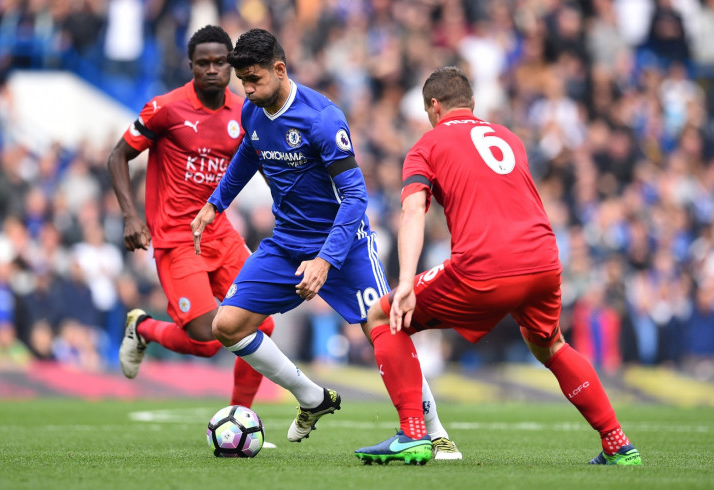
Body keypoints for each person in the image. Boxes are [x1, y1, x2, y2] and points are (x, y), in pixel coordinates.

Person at [191, 29, 460, 458]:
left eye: (255, 79)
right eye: (243, 81)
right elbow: (249, 152)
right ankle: (312, 397)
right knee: (227, 325)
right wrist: (215, 203)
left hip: (344, 246)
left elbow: (356, 196)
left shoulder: (321, 117)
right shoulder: (253, 111)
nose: (248, 89)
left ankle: (435, 430)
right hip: (285, 244)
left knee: (384, 330)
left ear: (280, 69)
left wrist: (325, 260)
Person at [354, 67, 642, 466]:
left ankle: (413, 435)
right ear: (472, 104)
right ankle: (618, 445)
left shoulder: (427, 144)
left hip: (486, 265)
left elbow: (413, 209)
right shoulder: (508, 137)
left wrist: (405, 280)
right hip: (543, 259)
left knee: (383, 316)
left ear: (433, 108)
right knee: (550, 343)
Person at [107, 26, 277, 420]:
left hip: (220, 232)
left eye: (220, 62)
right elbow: (117, 156)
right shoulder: (165, 108)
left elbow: (265, 165)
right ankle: (144, 327)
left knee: (261, 325)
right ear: (191, 66)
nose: (213, 69)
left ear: (232, 65)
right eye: (204, 63)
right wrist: (131, 215)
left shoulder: (244, 111)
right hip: (177, 238)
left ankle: (240, 419)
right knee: (205, 340)